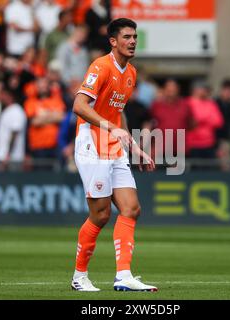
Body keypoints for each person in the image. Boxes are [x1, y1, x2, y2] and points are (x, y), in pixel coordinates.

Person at [71, 18, 157, 292]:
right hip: (91, 142)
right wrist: (110, 128)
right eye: (127, 37)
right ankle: (79, 277)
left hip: (113, 143)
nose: (132, 41)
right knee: (100, 214)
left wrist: (135, 147)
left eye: (135, 37)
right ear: (113, 41)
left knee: (131, 208)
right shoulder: (101, 66)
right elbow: (79, 105)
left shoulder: (130, 73)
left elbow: (117, 112)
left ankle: (123, 276)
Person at [186, 81, 224, 161]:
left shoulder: (211, 104)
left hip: (209, 144)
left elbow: (218, 122)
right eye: (204, 89)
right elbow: (188, 122)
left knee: (209, 171)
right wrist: (207, 119)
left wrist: (201, 120)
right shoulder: (187, 103)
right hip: (192, 145)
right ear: (195, 90)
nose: (206, 92)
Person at [0, 89, 27, 170]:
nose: (1, 97)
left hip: (13, 158)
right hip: (2, 157)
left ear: (10, 96)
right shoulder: (6, 111)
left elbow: (14, 133)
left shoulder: (16, 111)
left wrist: (8, 155)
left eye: (3, 95)